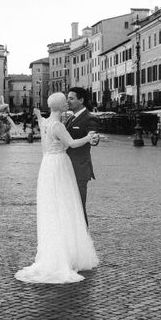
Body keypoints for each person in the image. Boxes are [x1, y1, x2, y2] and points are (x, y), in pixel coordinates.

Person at [15, 92, 99, 284]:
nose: (67, 103)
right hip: (60, 165)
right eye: (65, 101)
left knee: (53, 208)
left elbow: (41, 121)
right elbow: (70, 143)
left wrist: (37, 115)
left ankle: (57, 249)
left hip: (47, 166)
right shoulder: (58, 125)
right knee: (67, 206)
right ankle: (68, 252)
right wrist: (87, 138)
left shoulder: (45, 123)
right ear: (60, 107)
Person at [65, 87, 101, 226]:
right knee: (70, 207)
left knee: (79, 208)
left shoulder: (89, 118)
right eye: (67, 98)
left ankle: (84, 240)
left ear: (81, 100)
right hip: (68, 169)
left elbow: (93, 135)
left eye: (71, 98)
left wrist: (94, 139)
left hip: (79, 169)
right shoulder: (70, 118)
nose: (68, 101)